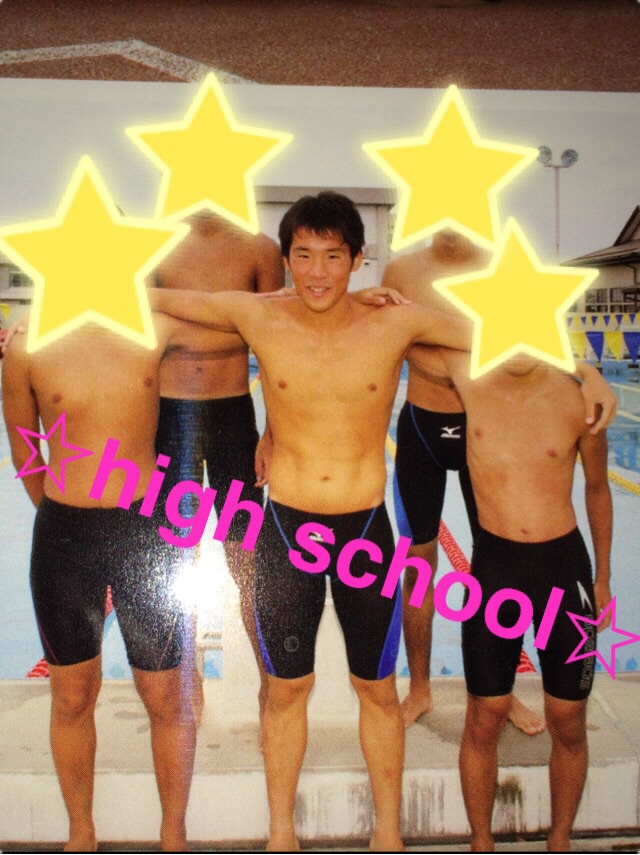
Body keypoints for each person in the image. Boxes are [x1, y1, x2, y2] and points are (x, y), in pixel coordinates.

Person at [148, 191, 478, 852]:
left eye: (333, 256)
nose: (318, 272)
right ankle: (281, 836)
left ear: (358, 258)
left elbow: (509, 336)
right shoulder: (258, 315)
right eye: (303, 256)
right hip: (286, 533)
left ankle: (388, 836)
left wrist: (586, 377)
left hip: (365, 534)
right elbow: (158, 297)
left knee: (376, 690)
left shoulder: (393, 323)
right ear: (286, 259)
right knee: (286, 692)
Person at [1, 314, 243, 853]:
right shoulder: (25, 348)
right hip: (65, 537)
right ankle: (81, 835)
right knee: (71, 696)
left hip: (144, 532)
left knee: (166, 695)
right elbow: (25, 453)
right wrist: (66, 518)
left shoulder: (151, 327)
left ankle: (173, 835)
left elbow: (246, 325)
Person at [382, 229, 615, 734]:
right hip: (422, 426)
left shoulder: (498, 268)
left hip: (483, 425)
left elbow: (529, 341)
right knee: (417, 562)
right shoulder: (401, 270)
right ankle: (419, 688)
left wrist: (587, 371)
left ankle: (501, 693)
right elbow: (389, 339)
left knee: (498, 559)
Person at [406, 345, 612, 853]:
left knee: (568, 721)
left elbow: (598, 489)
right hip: (495, 571)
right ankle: (482, 844)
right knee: (484, 716)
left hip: (564, 573)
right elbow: (405, 332)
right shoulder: (470, 379)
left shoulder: (579, 401)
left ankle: (559, 842)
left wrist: (603, 579)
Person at [151, 210, 285, 725]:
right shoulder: (155, 243)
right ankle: (188, 677)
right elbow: (132, 330)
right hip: (170, 418)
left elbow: (273, 342)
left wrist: (271, 432)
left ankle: (270, 682)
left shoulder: (259, 249)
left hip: (234, 420)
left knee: (246, 557)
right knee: (175, 558)